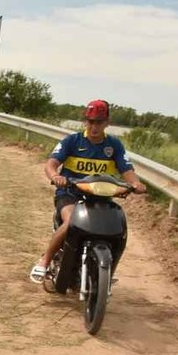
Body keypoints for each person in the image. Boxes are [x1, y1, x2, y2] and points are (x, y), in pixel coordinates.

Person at [29, 99, 146, 283]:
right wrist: (55, 176)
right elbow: (51, 164)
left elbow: (127, 170)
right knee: (72, 222)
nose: (94, 127)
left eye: (99, 122)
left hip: (100, 198)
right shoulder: (72, 141)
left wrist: (136, 184)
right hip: (70, 194)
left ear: (107, 123)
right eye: (91, 121)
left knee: (117, 228)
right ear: (85, 121)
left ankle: (107, 272)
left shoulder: (114, 145)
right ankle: (44, 261)